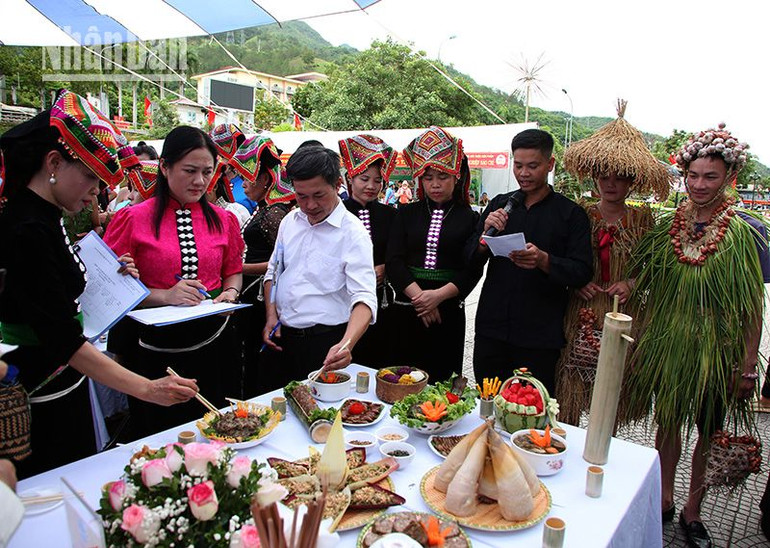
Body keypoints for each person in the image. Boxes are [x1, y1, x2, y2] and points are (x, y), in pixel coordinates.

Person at [0, 90, 197, 476]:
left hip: (64, 380)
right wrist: (146, 389)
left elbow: (52, 289)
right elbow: (62, 338)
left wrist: (108, 272)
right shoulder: (26, 227)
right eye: (91, 176)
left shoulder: (45, 214)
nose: (97, 191)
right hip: (40, 386)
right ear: (54, 161)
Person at [626, 124, 768, 548]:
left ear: (729, 177)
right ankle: (665, 496)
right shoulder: (669, 227)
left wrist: (746, 364)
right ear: (683, 175)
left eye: (710, 176)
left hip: (716, 351)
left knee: (708, 428)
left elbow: (752, 307)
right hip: (670, 341)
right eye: (693, 176)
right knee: (666, 422)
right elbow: (645, 281)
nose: (700, 184)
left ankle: (693, 509)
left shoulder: (744, 233)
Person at [104, 126, 244, 436]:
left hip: (216, 342)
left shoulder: (224, 219)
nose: (200, 181)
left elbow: (233, 269)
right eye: (190, 171)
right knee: (160, 436)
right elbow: (111, 287)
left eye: (207, 171)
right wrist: (163, 295)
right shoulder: (132, 218)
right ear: (165, 168)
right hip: (155, 350)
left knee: (220, 430)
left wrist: (230, 294)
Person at [554, 101, 668, 426]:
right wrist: (576, 281)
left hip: (622, 312)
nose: (610, 183)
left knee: (614, 392)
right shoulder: (579, 214)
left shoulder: (643, 220)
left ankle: (606, 452)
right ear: (594, 178)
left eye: (619, 177)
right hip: (582, 307)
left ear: (632, 182)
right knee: (572, 385)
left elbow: (655, 267)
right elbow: (562, 258)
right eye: (604, 176)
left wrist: (632, 283)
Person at [471, 129, 592, 394]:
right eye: (518, 165)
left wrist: (544, 260)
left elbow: (582, 271)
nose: (523, 173)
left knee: (530, 413)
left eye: (533, 166)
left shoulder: (570, 214)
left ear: (550, 165)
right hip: (492, 329)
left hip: (539, 336)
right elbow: (469, 259)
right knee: (486, 403)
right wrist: (484, 236)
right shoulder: (500, 205)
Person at [262, 146, 376, 388]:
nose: (310, 205)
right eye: (301, 196)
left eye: (319, 195)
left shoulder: (353, 233)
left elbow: (364, 298)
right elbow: (274, 272)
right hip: (284, 338)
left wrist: (346, 344)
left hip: (326, 344)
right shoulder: (289, 222)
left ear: (337, 185)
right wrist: (271, 316)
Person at [386, 126, 482, 379]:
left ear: (457, 176)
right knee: (402, 379)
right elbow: (394, 261)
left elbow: (472, 268)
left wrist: (438, 296)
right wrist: (422, 300)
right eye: (428, 178)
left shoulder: (471, 219)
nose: (435, 184)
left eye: (442, 176)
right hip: (407, 307)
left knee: (442, 382)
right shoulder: (406, 213)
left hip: (447, 310)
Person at [232, 135, 296, 394]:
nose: (244, 185)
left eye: (250, 179)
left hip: (263, 294)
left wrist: (240, 268)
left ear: (267, 179)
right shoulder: (263, 209)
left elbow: (279, 262)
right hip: (252, 289)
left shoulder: (274, 214)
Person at [340, 134, 398, 368]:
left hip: (383, 300)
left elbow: (397, 253)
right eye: (364, 179)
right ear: (349, 179)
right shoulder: (338, 214)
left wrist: (386, 267)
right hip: (344, 300)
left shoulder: (391, 215)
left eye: (377, 180)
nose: (371, 186)